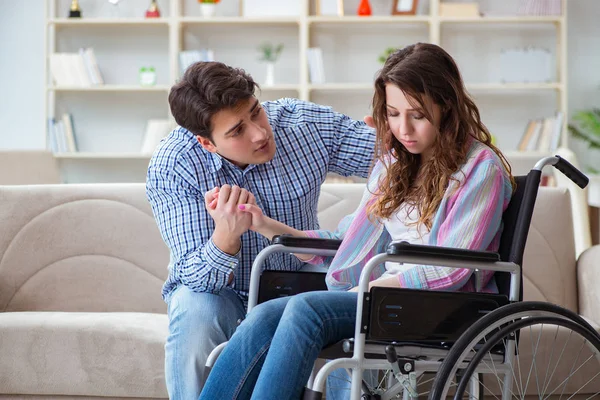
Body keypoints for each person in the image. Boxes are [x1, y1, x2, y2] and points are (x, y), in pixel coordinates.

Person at [198, 42, 515, 400]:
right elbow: (344, 242)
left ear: (446, 106)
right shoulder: (396, 164)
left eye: (418, 115)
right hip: (381, 297)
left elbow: (453, 270)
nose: (403, 128)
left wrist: (372, 287)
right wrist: (264, 224)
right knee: (264, 315)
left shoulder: (480, 169)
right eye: (393, 114)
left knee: (306, 309)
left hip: (438, 304)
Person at [145, 61, 377, 400]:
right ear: (207, 143)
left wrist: (392, 139)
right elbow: (194, 278)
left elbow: (406, 158)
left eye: (256, 112)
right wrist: (226, 237)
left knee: (349, 283)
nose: (259, 132)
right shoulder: (175, 163)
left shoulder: (304, 125)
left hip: (300, 276)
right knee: (195, 307)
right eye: (237, 131)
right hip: (223, 292)